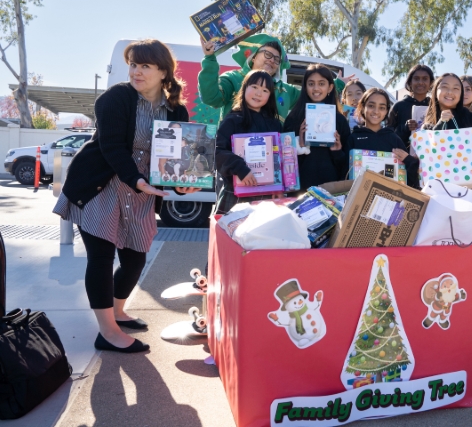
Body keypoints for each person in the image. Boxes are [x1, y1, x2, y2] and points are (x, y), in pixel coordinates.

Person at [53, 39, 201, 353]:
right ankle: (106, 332)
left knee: (135, 260)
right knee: (101, 258)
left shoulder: (176, 109)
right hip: (101, 186)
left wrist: (181, 184)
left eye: (145, 65)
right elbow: (111, 148)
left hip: (140, 191)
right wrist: (137, 180)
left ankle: (118, 312)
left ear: (164, 72)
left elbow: (174, 158)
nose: (136, 71)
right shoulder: (116, 98)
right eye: (133, 64)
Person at [198, 33, 352, 122]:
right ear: (252, 57)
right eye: (267, 54)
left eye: (277, 59)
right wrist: (210, 59)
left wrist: (337, 84)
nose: (272, 60)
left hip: (272, 166)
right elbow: (211, 97)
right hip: (235, 164)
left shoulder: (286, 90)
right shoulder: (233, 78)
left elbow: (313, 95)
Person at [214, 70, 284, 214]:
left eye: (265, 90)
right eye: (254, 87)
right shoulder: (232, 120)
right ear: (244, 88)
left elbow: (280, 158)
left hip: (268, 196)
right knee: (231, 236)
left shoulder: (275, 124)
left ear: (270, 95)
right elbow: (216, 151)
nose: (259, 93)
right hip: (236, 195)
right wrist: (241, 169)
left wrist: (279, 186)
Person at [423, 73, 472, 196]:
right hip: (435, 194)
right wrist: (441, 124)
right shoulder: (427, 125)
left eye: (456, 88)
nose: (450, 92)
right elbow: (426, 159)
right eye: (445, 87)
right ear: (435, 90)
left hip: (468, 192)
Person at [283, 64, 351, 189]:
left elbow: (347, 164)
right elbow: (284, 159)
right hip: (301, 189)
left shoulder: (340, 120)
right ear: (305, 87)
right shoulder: (294, 118)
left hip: (331, 190)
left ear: (330, 87)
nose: (316, 88)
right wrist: (299, 144)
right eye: (311, 84)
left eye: (321, 83)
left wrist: (337, 152)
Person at [347, 87, 419, 188]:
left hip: (388, 198)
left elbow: (411, 177)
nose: (376, 111)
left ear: (386, 111)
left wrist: (408, 160)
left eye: (382, 107)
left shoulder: (394, 139)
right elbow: (344, 172)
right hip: (359, 195)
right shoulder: (353, 138)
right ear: (363, 107)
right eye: (371, 105)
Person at [387, 65, 434, 148]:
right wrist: (405, 128)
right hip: (401, 157)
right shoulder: (398, 106)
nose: (420, 82)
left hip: (429, 157)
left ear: (431, 83)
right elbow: (388, 136)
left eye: (425, 79)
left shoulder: (435, 107)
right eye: (416, 78)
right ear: (410, 82)